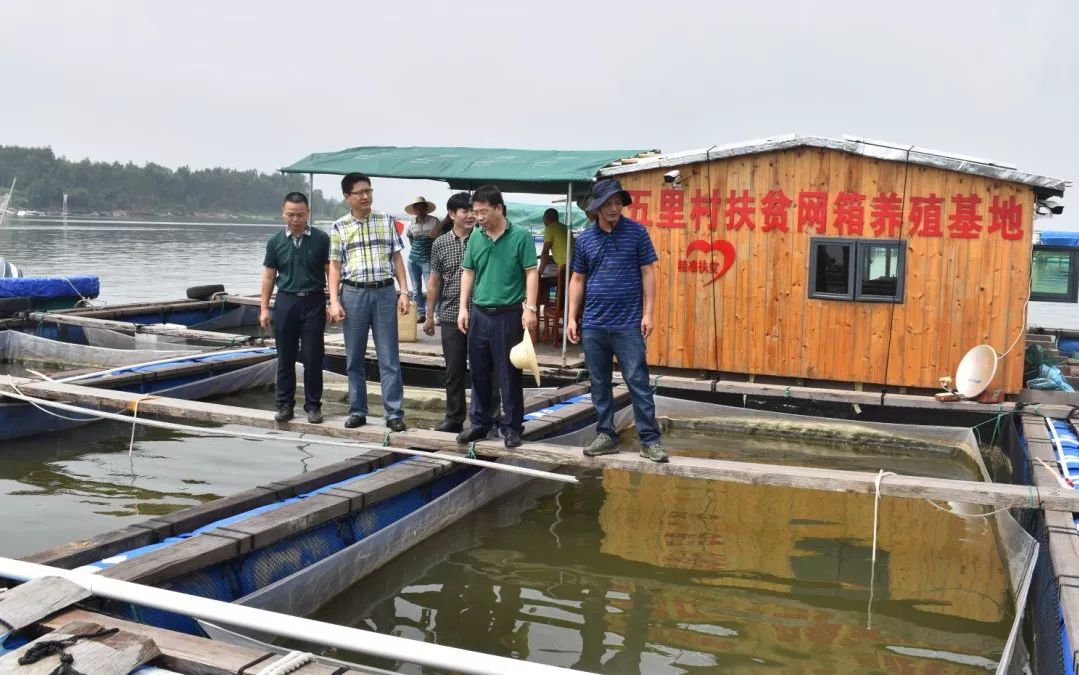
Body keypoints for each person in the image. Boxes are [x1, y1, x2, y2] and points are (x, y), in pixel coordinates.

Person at [567, 178, 667, 462]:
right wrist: (572, 318)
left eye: (617, 203)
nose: (614, 208)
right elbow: (577, 278)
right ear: (596, 208)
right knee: (599, 382)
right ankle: (606, 436)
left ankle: (650, 440)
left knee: (638, 381)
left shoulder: (636, 233)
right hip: (594, 323)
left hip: (628, 324)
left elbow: (648, 272)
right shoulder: (585, 238)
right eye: (608, 204)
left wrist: (648, 314)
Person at [456, 185, 539, 449]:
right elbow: (468, 272)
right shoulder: (476, 237)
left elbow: (531, 272)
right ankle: (481, 423)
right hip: (480, 312)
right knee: (479, 371)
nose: (477, 217)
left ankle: (512, 426)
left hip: (509, 313)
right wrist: (463, 308)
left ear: (499, 209)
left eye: (482, 212)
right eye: (474, 212)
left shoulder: (521, 236)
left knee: (508, 373)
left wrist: (531, 308)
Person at [327, 172, 411, 432]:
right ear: (347, 197)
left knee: (389, 356)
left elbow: (397, 259)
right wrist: (334, 300)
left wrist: (405, 292)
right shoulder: (339, 227)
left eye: (369, 191)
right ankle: (358, 411)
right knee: (354, 357)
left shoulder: (386, 221)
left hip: (385, 292)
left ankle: (394, 413)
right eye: (360, 193)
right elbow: (334, 267)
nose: (366, 196)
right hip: (353, 295)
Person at [259, 192, 330, 424]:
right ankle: (285, 405)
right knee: (285, 356)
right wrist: (263, 308)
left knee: (313, 356)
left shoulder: (321, 239)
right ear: (283, 213)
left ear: (308, 214)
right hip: (286, 301)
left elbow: (331, 271)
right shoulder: (275, 241)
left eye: (300, 215)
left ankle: (313, 406)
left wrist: (332, 301)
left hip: (314, 300)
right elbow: (269, 276)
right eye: (290, 215)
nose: (295, 219)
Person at [423, 192, 474, 433]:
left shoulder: (483, 238)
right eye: (465, 211)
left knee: (486, 369)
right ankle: (454, 418)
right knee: (454, 370)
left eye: (473, 210)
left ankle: (487, 418)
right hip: (451, 313)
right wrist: (430, 314)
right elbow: (434, 282)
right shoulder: (440, 243)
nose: (470, 215)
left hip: (482, 313)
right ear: (452, 214)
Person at [405, 196, 440, 323]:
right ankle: (420, 313)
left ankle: (437, 313)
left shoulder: (434, 221)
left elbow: (438, 240)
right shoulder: (410, 224)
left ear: (426, 208)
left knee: (431, 287)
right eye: (417, 206)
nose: (419, 209)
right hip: (413, 260)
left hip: (427, 259)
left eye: (421, 206)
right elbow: (411, 240)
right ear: (414, 209)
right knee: (415, 288)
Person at [538, 207, 572, 275]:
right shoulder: (565, 227)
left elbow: (545, 252)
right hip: (575, 265)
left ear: (545, 218)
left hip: (564, 268)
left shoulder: (549, 228)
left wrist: (539, 273)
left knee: (543, 272)